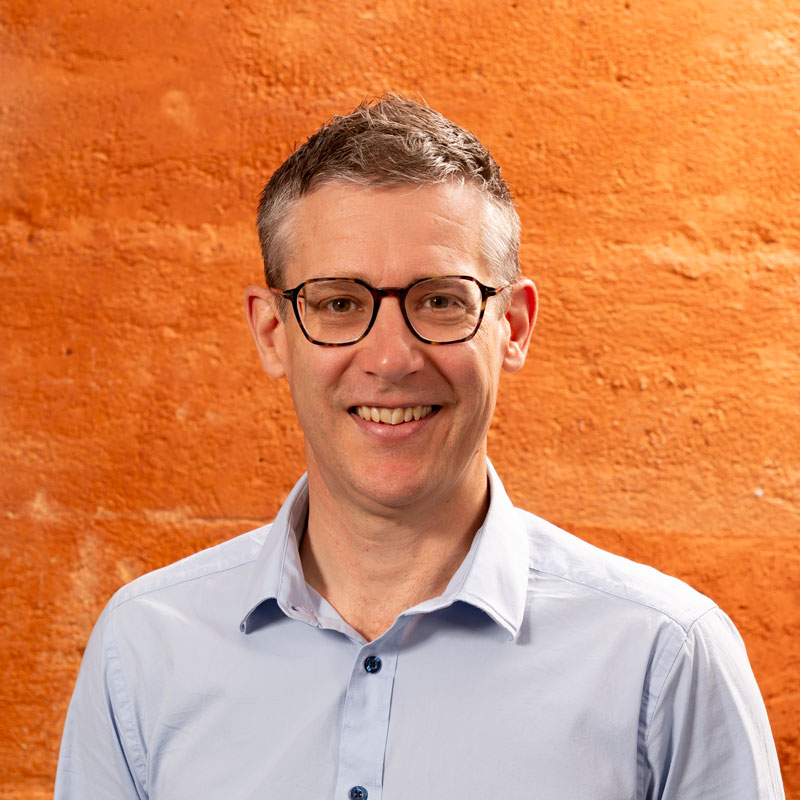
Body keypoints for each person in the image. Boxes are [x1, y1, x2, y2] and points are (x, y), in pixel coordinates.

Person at [55, 95, 785, 800]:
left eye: (439, 300)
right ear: (272, 333)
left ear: (513, 327)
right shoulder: (143, 652)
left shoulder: (665, 659)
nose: (391, 358)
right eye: (339, 303)